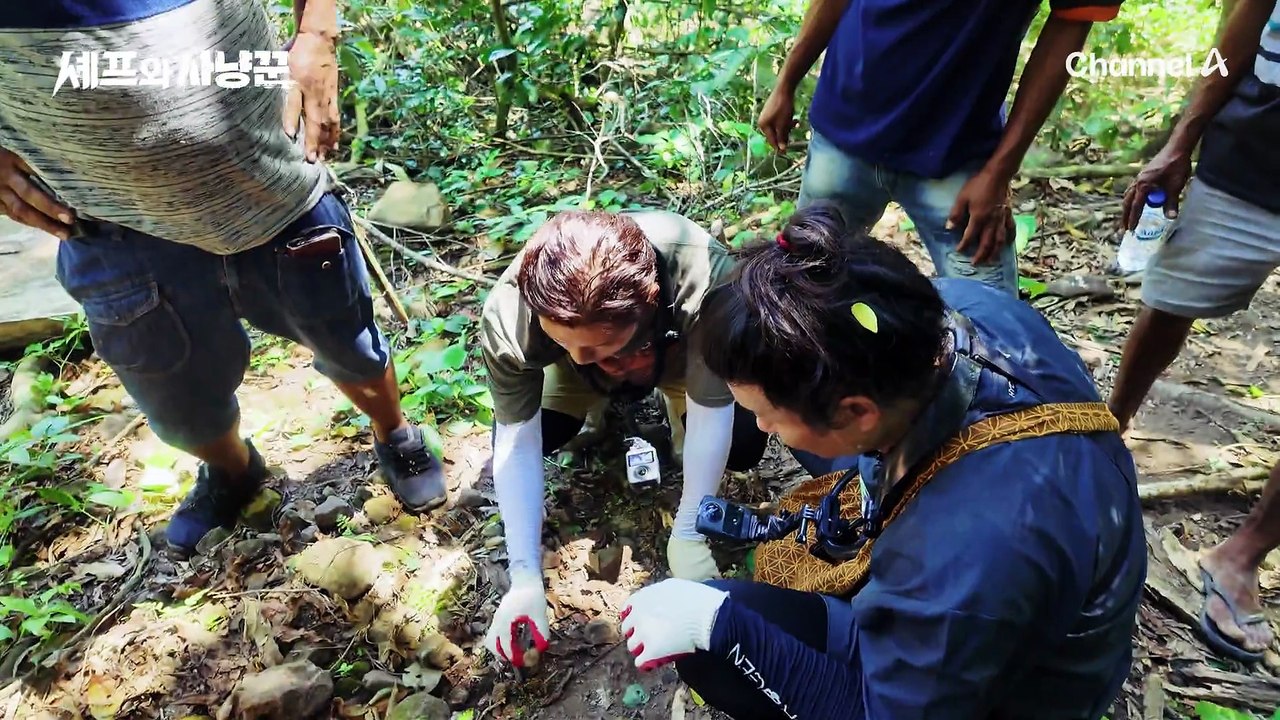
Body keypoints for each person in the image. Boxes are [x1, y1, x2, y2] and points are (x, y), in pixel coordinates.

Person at [617, 204, 1146, 719]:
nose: (761, 430)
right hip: (994, 618)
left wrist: (721, 626)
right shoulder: (957, 312)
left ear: (858, 413)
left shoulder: (966, 552)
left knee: (713, 645)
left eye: (767, 415)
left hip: (1017, 693)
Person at [0, 0, 447, 556]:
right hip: (108, 223)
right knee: (177, 402)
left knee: (352, 349)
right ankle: (234, 472)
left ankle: (395, 433)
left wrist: (316, 32)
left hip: (277, 193)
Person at [479, 209, 769, 667]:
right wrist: (525, 576)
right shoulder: (512, 315)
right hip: (572, 376)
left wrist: (691, 530)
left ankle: (673, 412)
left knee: (746, 441)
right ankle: (595, 406)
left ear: (648, 309)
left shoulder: (705, 282)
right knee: (545, 429)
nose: (581, 355)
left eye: (597, 345)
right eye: (564, 340)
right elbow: (517, 439)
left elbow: (715, 408)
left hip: (681, 357)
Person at [1107, 0, 1280, 664]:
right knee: (1170, 299)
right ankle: (1109, 425)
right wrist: (1181, 141)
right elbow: (1244, 21)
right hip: (1253, 157)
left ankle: (1242, 554)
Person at [758, 0, 1124, 295]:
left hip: (956, 156)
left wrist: (999, 172)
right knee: (803, 290)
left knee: (994, 328)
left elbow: (1070, 26)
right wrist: (787, 81)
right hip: (842, 134)